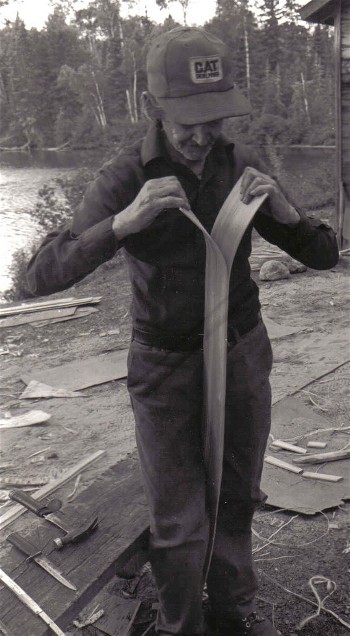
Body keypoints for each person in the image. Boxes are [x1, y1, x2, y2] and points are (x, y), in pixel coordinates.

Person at [26, 27, 338, 636]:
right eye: (187, 120)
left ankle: (233, 615)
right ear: (155, 107)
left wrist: (287, 214)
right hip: (165, 367)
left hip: (242, 352)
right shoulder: (124, 178)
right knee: (178, 519)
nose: (201, 136)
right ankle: (181, 626)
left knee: (238, 497)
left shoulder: (243, 163)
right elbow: (38, 277)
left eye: (215, 118)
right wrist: (123, 222)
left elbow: (325, 255)